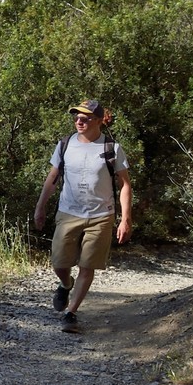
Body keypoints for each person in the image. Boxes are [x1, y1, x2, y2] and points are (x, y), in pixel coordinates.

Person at [33, 99, 133, 333]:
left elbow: (125, 185)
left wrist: (125, 218)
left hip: (101, 216)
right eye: (77, 117)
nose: (79, 121)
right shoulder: (65, 144)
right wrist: (40, 206)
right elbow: (52, 178)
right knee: (59, 261)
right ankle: (65, 284)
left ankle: (71, 313)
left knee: (88, 266)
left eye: (85, 118)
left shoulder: (112, 148)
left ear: (98, 121)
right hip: (68, 212)